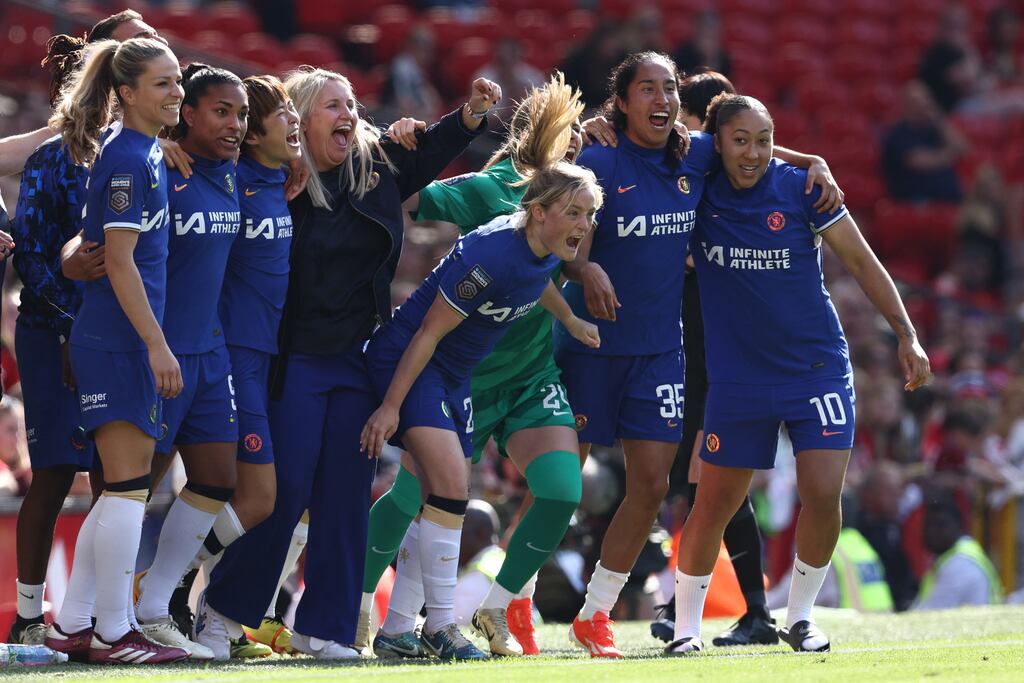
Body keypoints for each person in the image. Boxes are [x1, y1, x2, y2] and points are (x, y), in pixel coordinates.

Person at [197, 68, 500, 660]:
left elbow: (431, 148)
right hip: (291, 359)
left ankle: (327, 629)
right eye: (333, 105)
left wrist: (467, 116)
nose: (349, 113)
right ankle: (223, 617)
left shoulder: (376, 166)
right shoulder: (267, 177)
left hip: (359, 357)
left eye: (353, 104)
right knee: (284, 493)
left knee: (344, 495)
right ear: (300, 118)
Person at [557, 51, 841, 658]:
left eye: (671, 92)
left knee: (669, 486)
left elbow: (754, 150)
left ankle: (604, 613)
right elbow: (546, 221)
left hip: (670, 348)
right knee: (560, 485)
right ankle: (511, 606)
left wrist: (811, 159)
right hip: (591, 342)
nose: (664, 104)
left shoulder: (697, 154)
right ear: (624, 101)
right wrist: (582, 266)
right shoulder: (601, 156)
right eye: (651, 91)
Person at [667, 93, 930, 655]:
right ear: (718, 144)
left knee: (822, 492)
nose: (755, 153)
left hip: (816, 371)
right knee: (712, 502)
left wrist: (906, 334)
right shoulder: (696, 186)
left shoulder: (802, 188)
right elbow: (657, 149)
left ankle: (802, 617)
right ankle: (685, 630)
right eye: (741, 141)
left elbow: (861, 261)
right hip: (738, 381)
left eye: (764, 140)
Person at [362, 73, 586, 659]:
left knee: (561, 492)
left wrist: (583, 286)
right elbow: (410, 196)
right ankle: (362, 605)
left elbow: (540, 273)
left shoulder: (579, 193)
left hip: (530, 374)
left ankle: (494, 605)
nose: (584, 144)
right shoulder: (490, 191)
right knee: (419, 499)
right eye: (575, 134)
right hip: (462, 374)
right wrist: (404, 143)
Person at [42, 37, 188, 665]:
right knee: (128, 489)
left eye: (177, 80)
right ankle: (114, 631)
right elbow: (120, 263)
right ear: (126, 93)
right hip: (120, 341)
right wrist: (157, 345)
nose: (176, 91)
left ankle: (74, 623)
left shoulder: (145, 152)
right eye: (162, 83)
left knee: (122, 490)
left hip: (122, 339)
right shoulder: (129, 157)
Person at [644, 69, 779, 648]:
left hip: (715, 352)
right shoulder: (688, 180)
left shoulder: (722, 185)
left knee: (712, 485)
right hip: (688, 349)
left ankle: (750, 612)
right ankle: (694, 605)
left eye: (687, 123)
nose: (680, 135)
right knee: (699, 486)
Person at [130, 63, 250, 661]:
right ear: (189, 114)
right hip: (155, 353)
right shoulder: (159, 167)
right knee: (129, 488)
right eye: (221, 111)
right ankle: (87, 616)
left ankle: (152, 608)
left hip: (209, 355)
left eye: (241, 114)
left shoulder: (235, 172)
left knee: (216, 479)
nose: (233, 124)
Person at [6, 33, 97, 647]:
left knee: (125, 478)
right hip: (54, 334)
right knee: (58, 471)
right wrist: (70, 330)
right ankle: (29, 615)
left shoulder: (157, 157)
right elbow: (34, 260)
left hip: (126, 338)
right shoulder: (53, 156)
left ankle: (101, 612)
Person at [881, 81, 966, 203]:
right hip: (916, 201)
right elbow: (923, 163)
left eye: (927, 100)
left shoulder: (935, 130)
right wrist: (951, 154)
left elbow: (963, 148)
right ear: (906, 106)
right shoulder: (897, 136)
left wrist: (938, 119)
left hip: (949, 199)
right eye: (918, 102)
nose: (924, 105)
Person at [914, 497, 1003, 609]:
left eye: (940, 525)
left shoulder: (960, 564)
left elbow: (928, 615)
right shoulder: (951, 557)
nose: (932, 532)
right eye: (928, 525)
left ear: (958, 525)